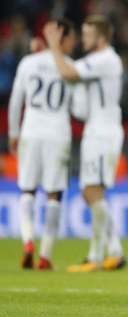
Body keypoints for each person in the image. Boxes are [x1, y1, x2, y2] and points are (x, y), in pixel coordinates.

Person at [48, 15, 127, 273]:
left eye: (87, 34)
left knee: (92, 191)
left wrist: (54, 47)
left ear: (101, 38)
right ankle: (115, 250)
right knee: (90, 191)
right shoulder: (98, 61)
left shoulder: (106, 59)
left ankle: (96, 256)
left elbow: (67, 71)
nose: (83, 38)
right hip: (97, 130)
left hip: (104, 132)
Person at [8, 19, 82, 270]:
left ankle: (28, 243)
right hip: (57, 135)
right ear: (63, 38)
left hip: (30, 131)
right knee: (54, 194)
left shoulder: (29, 62)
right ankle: (45, 256)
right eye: (72, 38)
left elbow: (16, 100)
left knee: (27, 190)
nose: (75, 43)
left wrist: (13, 132)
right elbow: (79, 109)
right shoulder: (71, 68)